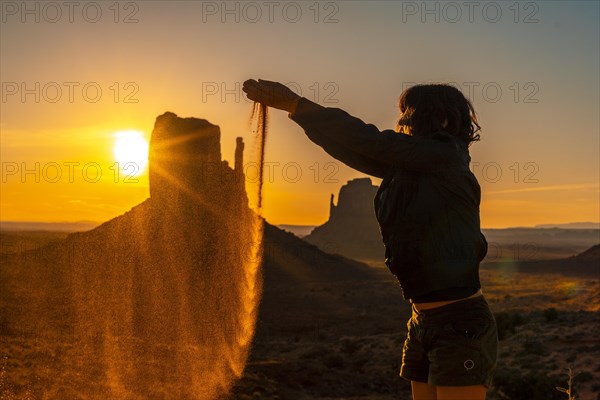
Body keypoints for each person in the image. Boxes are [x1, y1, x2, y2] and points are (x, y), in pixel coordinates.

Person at [242, 78, 498, 400]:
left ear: (442, 119)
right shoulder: (411, 166)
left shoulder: (446, 157)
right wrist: (297, 113)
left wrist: (296, 103)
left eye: (410, 113)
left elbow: (372, 142)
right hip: (422, 320)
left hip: (458, 324)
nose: (404, 121)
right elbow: (355, 148)